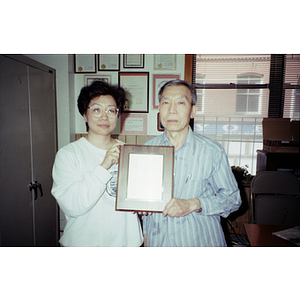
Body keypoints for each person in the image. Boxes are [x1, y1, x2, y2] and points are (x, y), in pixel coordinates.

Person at [142, 80, 241, 246]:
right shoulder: (146, 150)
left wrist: (194, 204)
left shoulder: (212, 151)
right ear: (159, 109)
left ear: (192, 110)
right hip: (158, 241)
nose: (172, 110)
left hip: (200, 242)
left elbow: (233, 199)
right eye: (166, 102)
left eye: (180, 102)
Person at [51, 80, 143, 247]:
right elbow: (73, 206)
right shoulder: (68, 155)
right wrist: (104, 166)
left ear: (117, 114)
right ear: (84, 114)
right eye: (96, 109)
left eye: (111, 110)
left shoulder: (130, 152)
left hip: (126, 243)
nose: (104, 116)